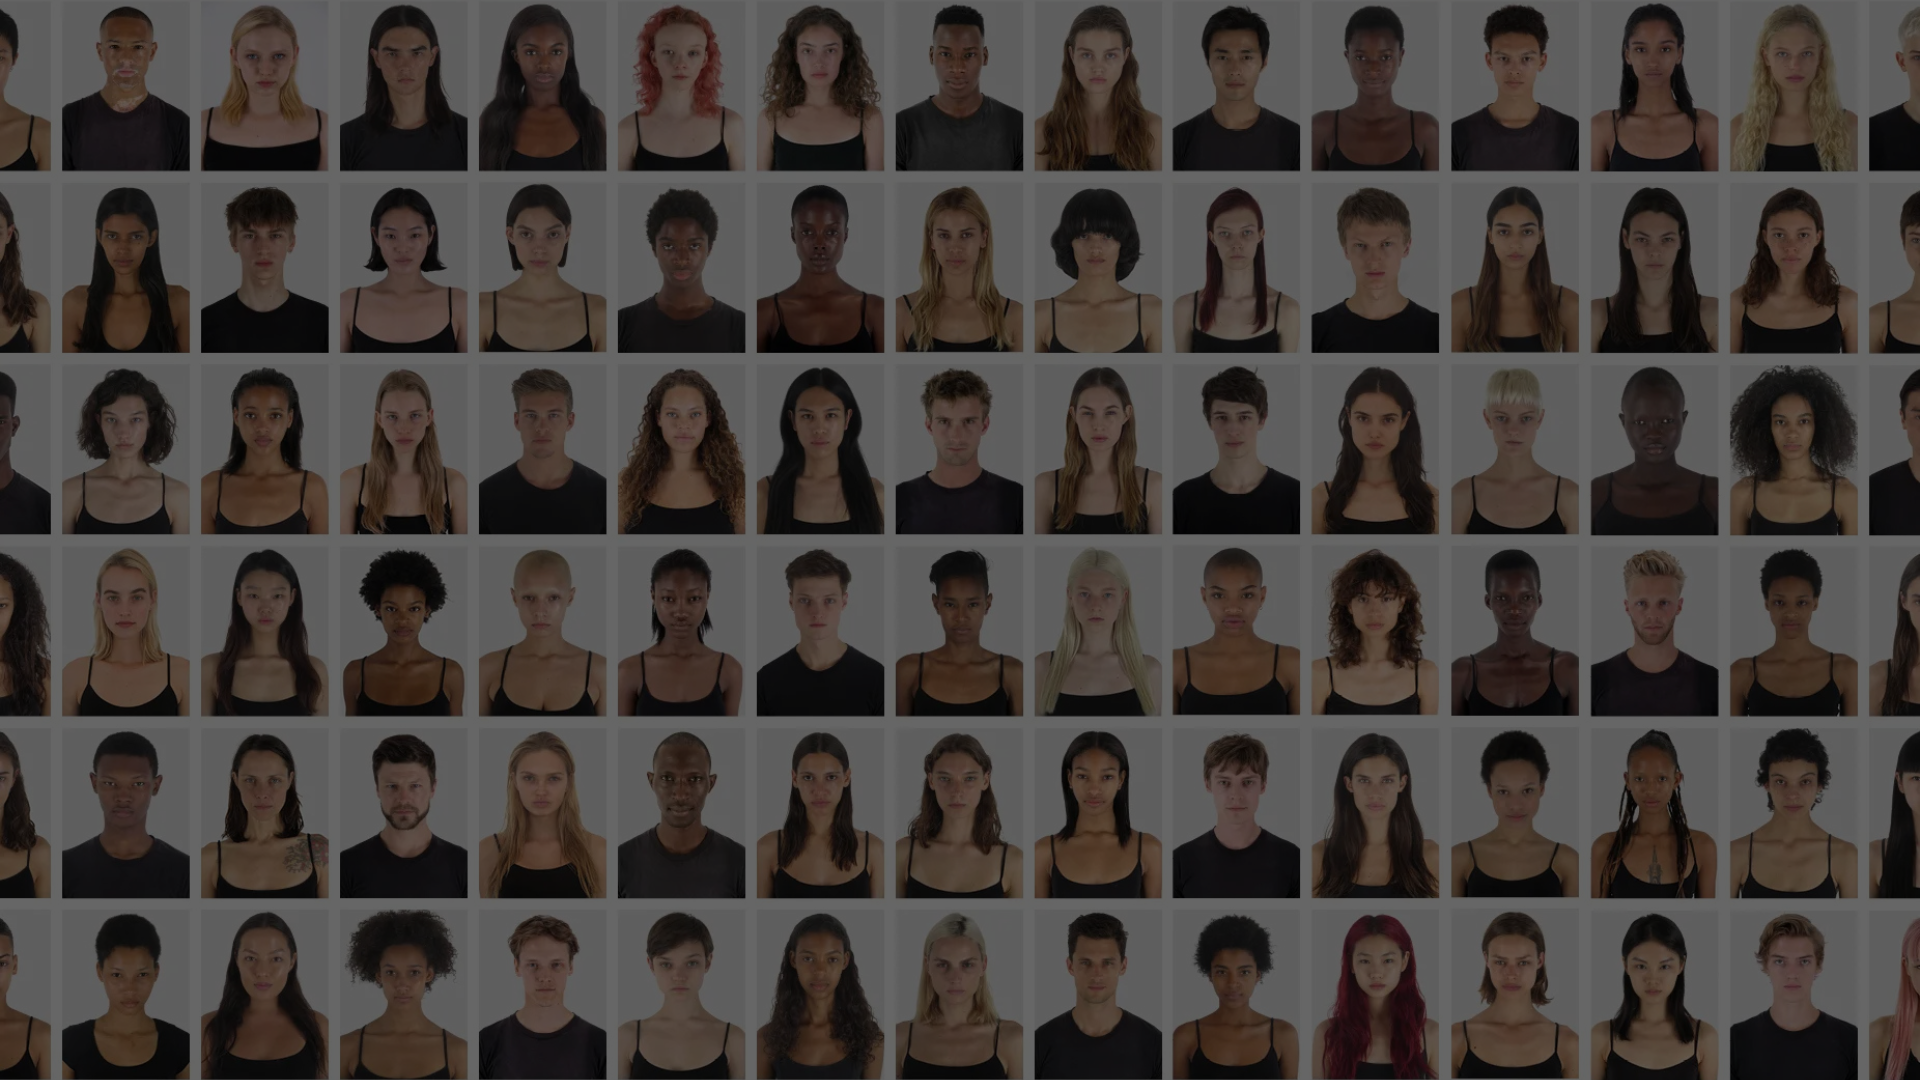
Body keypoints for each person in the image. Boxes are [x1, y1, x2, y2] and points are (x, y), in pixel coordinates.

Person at [478, 730, 607, 899]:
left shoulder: (598, 851)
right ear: (514, 780)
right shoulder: (489, 851)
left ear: (568, 781)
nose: (541, 791)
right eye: (529, 778)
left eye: (553, 779)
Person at [1731, 728, 1858, 899]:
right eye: (1780, 781)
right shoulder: (1736, 853)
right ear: (1767, 784)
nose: (1792, 795)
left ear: (1819, 785)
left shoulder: (1845, 854)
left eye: (1805, 781)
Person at [1729, 366, 1859, 534]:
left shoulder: (1845, 494)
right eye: (1780, 422)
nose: (1791, 433)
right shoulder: (1743, 493)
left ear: (1819, 426)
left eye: (1803, 421)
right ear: (1766, 427)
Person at [199, 913, 328, 1079]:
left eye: (276, 959)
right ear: (237, 959)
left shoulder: (318, 1027)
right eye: (250, 958)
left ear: (292, 961)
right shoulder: (208, 1028)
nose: (262, 971)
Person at [755, 185, 885, 351]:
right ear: (793, 234)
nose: (819, 244)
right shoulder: (764, 313)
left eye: (831, 232)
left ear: (845, 235)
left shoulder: (876, 310)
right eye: (807, 232)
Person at [1591, 729, 1718, 898]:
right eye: (1640, 779)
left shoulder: (1702, 846)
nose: (1650, 790)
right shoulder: (1605, 847)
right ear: (1627, 780)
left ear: (1676, 780)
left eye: (1661, 778)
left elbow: (1708, 912)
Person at [1311, 4, 1440, 170]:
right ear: (1347, 57)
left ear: (1400, 57)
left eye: (1385, 57)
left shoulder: (1425, 129)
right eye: (1361, 57)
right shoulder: (1322, 128)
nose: (1373, 69)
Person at [341, 910, 467, 1080]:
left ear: (428, 975)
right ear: (379, 975)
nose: (401, 984)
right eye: (391, 972)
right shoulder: (347, 1047)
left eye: (414, 972)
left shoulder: (458, 1052)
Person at [755, 731, 883, 899]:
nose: (820, 790)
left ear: (846, 778)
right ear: (795, 779)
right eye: (808, 777)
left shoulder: (874, 851)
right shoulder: (767, 849)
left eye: (831, 777)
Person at [338, 733, 468, 898]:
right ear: (377, 789)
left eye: (415, 786)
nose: (403, 798)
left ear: (433, 788)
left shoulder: (464, 864)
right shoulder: (345, 865)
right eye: (392, 786)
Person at [198, 733, 327, 899]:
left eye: (274, 780)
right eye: (250, 780)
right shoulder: (209, 859)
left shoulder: (318, 852)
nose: (262, 793)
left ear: (290, 780)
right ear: (236, 780)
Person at [477, 369, 606, 534]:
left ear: (570, 421)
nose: (542, 428)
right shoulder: (485, 496)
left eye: (553, 415)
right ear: (517, 421)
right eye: (531, 415)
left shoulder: (603, 493)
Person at [1310, 733, 1439, 898]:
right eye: (1364, 780)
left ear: (1402, 783)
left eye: (1387, 781)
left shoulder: (1430, 856)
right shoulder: (1319, 857)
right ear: (1349, 784)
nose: (1375, 793)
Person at [1589, 915, 1718, 1080]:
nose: (1652, 979)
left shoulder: (1705, 1037)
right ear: (1625, 965)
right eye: (1641, 966)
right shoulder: (1601, 1036)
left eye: (1664, 966)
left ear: (1681, 965)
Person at [618, 731, 746, 898]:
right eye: (667, 778)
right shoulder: (620, 861)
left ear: (711, 783)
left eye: (694, 779)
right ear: (651, 781)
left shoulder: (740, 862)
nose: (680, 795)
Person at [1449, 913, 1579, 1077]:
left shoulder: (1568, 1043)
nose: (1511, 974)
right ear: (1486, 959)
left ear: (1540, 960)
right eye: (1500, 962)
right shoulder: (1456, 1038)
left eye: (1523, 962)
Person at [1172, 734, 1301, 898]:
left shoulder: (1292, 859)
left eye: (1247, 782)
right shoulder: (1180, 861)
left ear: (1263, 785)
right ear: (1208, 784)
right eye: (1224, 782)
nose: (1236, 795)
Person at [200, 369, 328, 535]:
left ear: (289, 418)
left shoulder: (313, 488)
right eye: (250, 415)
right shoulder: (209, 488)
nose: (262, 428)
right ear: (236, 416)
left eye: (275, 415)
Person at [1036, 731, 1163, 898]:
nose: (1094, 790)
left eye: (1107, 777)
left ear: (1121, 779)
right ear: (1069, 778)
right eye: (1082, 776)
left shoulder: (1149, 849)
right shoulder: (1044, 852)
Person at [1174, 367, 1301, 534]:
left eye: (1244, 417)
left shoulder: (1295, 496)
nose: (1233, 430)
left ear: (1262, 420)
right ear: (1210, 421)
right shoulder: (1182, 498)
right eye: (1222, 417)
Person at [1592, 4, 1719, 170]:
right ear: (1627, 54)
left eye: (1665, 49)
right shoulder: (1602, 128)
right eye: (1641, 49)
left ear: (1679, 53)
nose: (1652, 62)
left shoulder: (1706, 126)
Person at [342, 4, 469, 170]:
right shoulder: (346, 139)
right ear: (377, 58)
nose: (405, 66)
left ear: (432, 56)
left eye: (417, 53)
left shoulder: (467, 134)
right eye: (392, 54)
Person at [342, 369, 469, 535]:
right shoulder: (351, 483)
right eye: (392, 416)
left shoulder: (455, 484)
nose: (403, 428)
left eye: (414, 415)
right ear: (379, 419)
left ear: (429, 417)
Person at [479, 4, 606, 170]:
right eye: (531, 52)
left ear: (568, 54)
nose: (544, 64)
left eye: (556, 52)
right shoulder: (491, 121)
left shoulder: (593, 120)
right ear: (516, 56)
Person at [619, 913, 747, 1078]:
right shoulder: (627, 1037)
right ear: (651, 965)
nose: (679, 976)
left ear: (708, 962)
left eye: (691, 963)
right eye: (666, 964)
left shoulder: (734, 1039)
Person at [1310, 550, 1438, 715]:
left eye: (1386, 599)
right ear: (1349, 605)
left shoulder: (1426, 674)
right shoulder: (1319, 673)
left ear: (1401, 603)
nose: (1374, 612)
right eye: (1363, 599)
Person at [201, 189, 329, 353]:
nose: (263, 249)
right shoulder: (204, 322)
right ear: (233, 241)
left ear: (291, 242)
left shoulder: (324, 321)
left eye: (275, 236)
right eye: (250, 236)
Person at [61, 731, 188, 898]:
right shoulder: (64, 867)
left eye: (138, 783)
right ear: (94, 783)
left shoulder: (185, 870)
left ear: (156, 785)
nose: (123, 797)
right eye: (110, 783)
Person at [1172, 550, 1299, 716]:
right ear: (1204, 597)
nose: (1233, 608)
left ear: (1262, 597)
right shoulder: (1177, 664)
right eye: (1219, 595)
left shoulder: (1291, 662)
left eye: (1246, 595)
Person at [755, 549, 882, 716]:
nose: (817, 613)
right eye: (805, 600)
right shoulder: (765, 681)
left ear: (844, 602)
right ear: (791, 601)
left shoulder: (877, 679)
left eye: (829, 600)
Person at [61, 550, 188, 717]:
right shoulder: (74, 675)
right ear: (99, 600)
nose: (124, 611)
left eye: (136, 597)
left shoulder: (183, 674)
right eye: (113, 598)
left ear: (152, 599)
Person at [1730, 4, 1856, 171]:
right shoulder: (1739, 130)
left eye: (1806, 53)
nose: (1795, 65)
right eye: (1782, 53)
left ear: (1820, 55)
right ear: (1766, 57)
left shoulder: (1850, 126)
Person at [61, 7, 189, 171]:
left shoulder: (177, 123)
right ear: (100, 51)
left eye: (138, 47)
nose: (126, 58)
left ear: (152, 52)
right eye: (115, 46)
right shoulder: (69, 118)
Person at [1035, 913, 1162, 1079]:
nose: (1096, 974)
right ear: (1070, 966)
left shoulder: (1154, 1044)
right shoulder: (1040, 1043)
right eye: (1086, 962)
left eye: (1107, 963)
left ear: (1123, 966)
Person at [757, 367, 884, 533]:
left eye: (830, 415)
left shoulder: (876, 494)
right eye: (808, 416)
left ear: (847, 419)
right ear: (793, 420)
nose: (819, 429)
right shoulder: (764, 493)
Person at [1310, 915, 1439, 1077]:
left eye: (1388, 960)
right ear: (1351, 963)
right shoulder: (1327, 1034)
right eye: (1365, 961)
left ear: (1404, 961)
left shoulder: (1431, 1033)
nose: (1376, 973)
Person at [619, 189, 747, 352]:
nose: (681, 258)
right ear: (654, 249)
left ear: (709, 248)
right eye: (668, 246)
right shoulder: (622, 323)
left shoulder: (740, 326)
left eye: (694, 246)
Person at [1451, 189, 1579, 353]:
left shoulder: (1569, 305)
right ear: (1491, 235)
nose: (1515, 243)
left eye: (1526, 231)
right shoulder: (1459, 307)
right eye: (1504, 232)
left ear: (1540, 235)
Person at [1593, 367, 1720, 533]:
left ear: (1683, 419)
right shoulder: (1597, 493)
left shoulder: (1714, 493)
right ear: (1624, 422)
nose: (1653, 434)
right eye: (1640, 423)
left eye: (1666, 421)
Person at [1729, 915, 1856, 1080]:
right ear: (1766, 965)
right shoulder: (1736, 1040)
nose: (1792, 974)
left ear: (1818, 965)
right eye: (1779, 961)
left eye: (1804, 962)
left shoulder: (1850, 1040)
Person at [477, 551, 604, 716]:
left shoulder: (600, 671)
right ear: (514, 598)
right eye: (529, 597)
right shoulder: (487, 668)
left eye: (553, 598)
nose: (540, 611)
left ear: (570, 597)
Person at [1592, 550, 1718, 716]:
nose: (1652, 615)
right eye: (1641, 603)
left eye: (1663, 603)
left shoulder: (1712, 681)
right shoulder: (1594, 679)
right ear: (1627, 607)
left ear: (1679, 606)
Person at [1173, 7, 1300, 171]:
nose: (1234, 70)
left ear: (1264, 62)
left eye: (1246, 57)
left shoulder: (1294, 138)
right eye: (1222, 57)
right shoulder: (1179, 139)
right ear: (1208, 60)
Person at [1035, 549, 1161, 716]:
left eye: (1107, 594)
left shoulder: (1150, 671)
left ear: (1123, 598)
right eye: (1084, 594)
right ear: (1070, 596)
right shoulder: (1042, 669)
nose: (1095, 606)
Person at [61, 188, 188, 353]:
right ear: (99, 236)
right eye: (112, 236)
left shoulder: (180, 303)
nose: (123, 249)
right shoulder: (74, 304)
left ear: (151, 238)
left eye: (135, 236)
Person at [1453, 731, 1579, 897]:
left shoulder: (1567, 860)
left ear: (1541, 789)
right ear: (1490, 791)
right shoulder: (1460, 857)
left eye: (1527, 790)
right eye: (1503, 791)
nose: (1515, 805)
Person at [1452, 551, 1580, 715]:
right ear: (1488, 601)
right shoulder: (1462, 673)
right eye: (1502, 598)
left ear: (1539, 600)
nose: (1514, 610)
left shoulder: (1567, 668)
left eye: (1526, 598)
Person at [896, 370, 1023, 534]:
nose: (956, 436)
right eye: (944, 421)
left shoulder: (1016, 498)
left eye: (968, 421)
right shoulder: (898, 499)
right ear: (929, 426)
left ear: (984, 425)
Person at [618, 550, 743, 716]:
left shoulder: (729, 669)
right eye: (668, 599)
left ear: (707, 595)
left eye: (694, 598)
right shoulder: (629, 671)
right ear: (653, 595)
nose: (681, 612)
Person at [1036, 367, 1162, 534]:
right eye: (1088, 413)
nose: (1098, 425)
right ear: (1074, 414)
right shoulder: (1046, 486)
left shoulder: (1153, 486)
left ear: (1127, 414)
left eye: (1110, 412)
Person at [1311, 188, 1438, 352]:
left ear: (1406, 247)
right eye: (1360, 245)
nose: (1373, 260)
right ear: (1346, 250)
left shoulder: (1438, 330)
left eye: (1386, 244)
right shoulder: (1315, 330)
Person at [479, 916, 606, 1079]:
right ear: (517, 967)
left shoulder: (600, 1043)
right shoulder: (487, 1042)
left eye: (556, 965)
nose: (545, 977)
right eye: (533, 965)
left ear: (571, 966)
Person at [619, 5, 745, 171]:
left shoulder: (731, 125)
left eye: (692, 53)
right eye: (668, 52)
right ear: (654, 58)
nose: (680, 64)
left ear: (705, 59)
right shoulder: (627, 130)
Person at [757, 6, 884, 171]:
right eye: (808, 51)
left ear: (843, 54)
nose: (819, 62)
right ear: (795, 55)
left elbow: (876, 183)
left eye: (830, 50)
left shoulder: (869, 118)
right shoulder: (769, 119)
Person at [1034, 5, 1160, 171]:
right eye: (1087, 55)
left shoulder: (1153, 129)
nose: (1098, 68)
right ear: (1072, 55)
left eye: (1110, 55)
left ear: (1125, 55)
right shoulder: (1042, 131)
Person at [341, 188, 468, 352]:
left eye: (414, 235)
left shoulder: (460, 304)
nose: (402, 248)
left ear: (430, 235)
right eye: (390, 236)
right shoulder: (347, 304)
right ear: (375, 236)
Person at [896, 5, 1022, 171]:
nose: (957, 68)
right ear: (931, 55)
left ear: (984, 56)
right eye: (946, 54)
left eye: (969, 55)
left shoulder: (1016, 125)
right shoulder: (902, 127)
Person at [480, 186, 605, 352]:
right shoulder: (482, 309)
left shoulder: (598, 311)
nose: (539, 249)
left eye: (552, 234)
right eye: (527, 234)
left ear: (567, 234)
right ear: (510, 235)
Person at [1592, 187, 1719, 351]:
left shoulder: (1713, 314)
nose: (1654, 252)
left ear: (1681, 239)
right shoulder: (1596, 315)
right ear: (1626, 238)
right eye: (1642, 239)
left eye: (1666, 239)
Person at [757, 914, 882, 1079]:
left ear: (845, 961)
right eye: (808, 958)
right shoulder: (767, 1039)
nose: (820, 971)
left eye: (832, 959)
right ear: (793, 959)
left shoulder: (869, 1038)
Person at [896, 914, 1022, 1079]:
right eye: (943, 964)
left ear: (983, 965)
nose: (955, 978)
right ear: (927, 965)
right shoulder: (900, 1038)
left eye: (967, 964)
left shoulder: (1012, 1039)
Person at [1313, 367, 1437, 534]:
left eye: (1388, 420)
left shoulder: (1432, 500)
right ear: (1349, 417)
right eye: (1363, 418)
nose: (1374, 433)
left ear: (1404, 421)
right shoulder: (1321, 499)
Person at [61, 369, 186, 535]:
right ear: (99, 421)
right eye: (112, 419)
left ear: (150, 421)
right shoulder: (70, 492)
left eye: (136, 419)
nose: (123, 433)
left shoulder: (177, 495)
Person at [898, 733, 1023, 898]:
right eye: (945, 778)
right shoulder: (902, 854)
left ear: (985, 780)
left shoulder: (1013, 862)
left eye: (969, 778)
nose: (957, 791)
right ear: (931, 780)